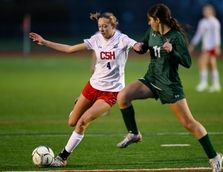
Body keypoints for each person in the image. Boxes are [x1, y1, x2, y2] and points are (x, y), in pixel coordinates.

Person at [116, 4, 223, 172]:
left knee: (188, 123)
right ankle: (134, 133)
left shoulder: (176, 37)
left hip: (169, 84)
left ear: (158, 20)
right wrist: (138, 47)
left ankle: (214, 156)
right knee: (123, 96)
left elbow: (187, 62)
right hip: (151, 79)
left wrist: (173, 51)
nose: (148, 23)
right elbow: (144, 46)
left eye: (150, 20)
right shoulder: (152, 32)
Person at [29, 12, 142, 167]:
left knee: (82, 122)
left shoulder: (122, 39)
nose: (102, 29)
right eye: (99, 26)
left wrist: (140, 46)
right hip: (92, 86)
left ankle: (62, 158)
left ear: (113, 25)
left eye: (105, 26)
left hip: (111, 92)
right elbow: (69, 49)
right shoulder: (96, 39)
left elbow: (136, 45)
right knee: (72, 121)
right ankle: (82, 105)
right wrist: (45, 42)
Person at [189, 4, 221, 93]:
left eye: (207, 10)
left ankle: (204, 83)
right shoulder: (202, 22)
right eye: (204, 10)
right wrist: (192, 44)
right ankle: (216, 84)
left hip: (212, 47)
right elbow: (199, 35)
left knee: (201, 62)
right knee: (212, 65)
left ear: (211, 11)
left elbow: (216, 35)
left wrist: (217, 46)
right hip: (206, 47)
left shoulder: (215, 22)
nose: (205, 12)